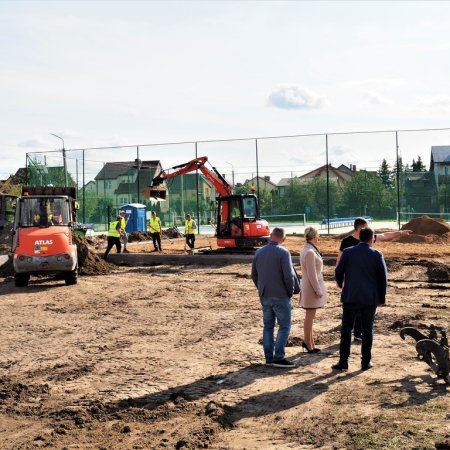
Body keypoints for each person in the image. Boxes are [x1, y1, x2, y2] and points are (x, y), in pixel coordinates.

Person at [337, 217, 411, 342]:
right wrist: (340, 281)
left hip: (363, 283)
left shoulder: (368, 237)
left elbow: (385, 235)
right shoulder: (347, 242)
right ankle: (357, 341)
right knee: (354, 312)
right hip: (352, 282)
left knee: (360, 310)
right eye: (367, 226)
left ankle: (357, 334)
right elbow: (339, 261)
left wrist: (400, 233)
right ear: (360, 228)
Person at [333, 227, 388, 371]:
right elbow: (383, 279)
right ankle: (365, 362)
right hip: (369, 298)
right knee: (367, 330)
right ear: (372, 239)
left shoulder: (348, 252)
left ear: (359, 238)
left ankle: (343, 362)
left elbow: (338, 271)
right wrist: (381, 298)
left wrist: (340, 284)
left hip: (350, 296)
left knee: (346, 330)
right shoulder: (377, 255)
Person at [251, 227, 300, 368]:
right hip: (280, 295)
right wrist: (290, 291)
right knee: (284, 326)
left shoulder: (259, 252)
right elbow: (289, 276)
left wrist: (261, 289)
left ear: (271, 235)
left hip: (265, 295)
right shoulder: (284, 252)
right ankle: (279, 357)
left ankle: (269, 358)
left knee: (268, 326)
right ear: (283, 239)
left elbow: (254, 275)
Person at [300, 227, 327, 353]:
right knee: (310, 316)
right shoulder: (310, 251)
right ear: (314, 236)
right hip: (311, 288)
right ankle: (307, 342)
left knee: (310, 316)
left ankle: (310, 342)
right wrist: (318, 290)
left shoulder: (307, 249)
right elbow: (312, 274)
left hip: (309, 286)